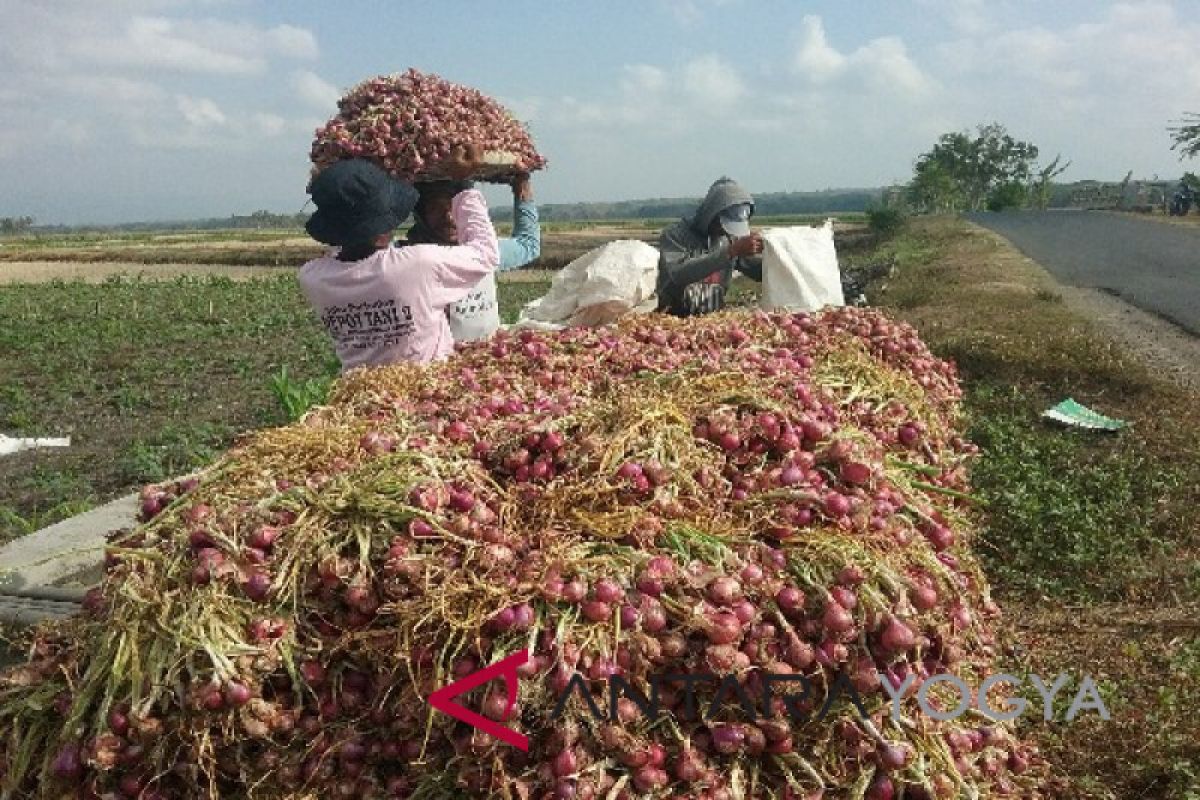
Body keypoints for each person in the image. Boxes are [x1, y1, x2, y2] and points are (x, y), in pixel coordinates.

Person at [299, 146, 499, 372]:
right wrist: (464, 184)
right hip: (422, 391)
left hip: (360, 395)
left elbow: (342, 245)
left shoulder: (312, 278)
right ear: (385, 228)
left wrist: (334, 182)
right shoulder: (416, 265)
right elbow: (486, 254)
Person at [402, 171, 540, 341]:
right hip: (430, 362)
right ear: (420, 215)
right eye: (436, 208)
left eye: (456, 207)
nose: (449, 217)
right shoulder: (405, 259)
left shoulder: (485, 252)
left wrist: (522, 186)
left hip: (482, 356)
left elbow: (528, 245)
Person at [656, 177, 764, 317]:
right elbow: (678, 273)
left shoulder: (728, 239)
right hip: (673, 319)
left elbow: (760, 272)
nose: (724, 231)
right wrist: (730, 252)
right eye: (722, 225)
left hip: (711, 321)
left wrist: (772, 254)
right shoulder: (675, 236)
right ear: (711, 215)